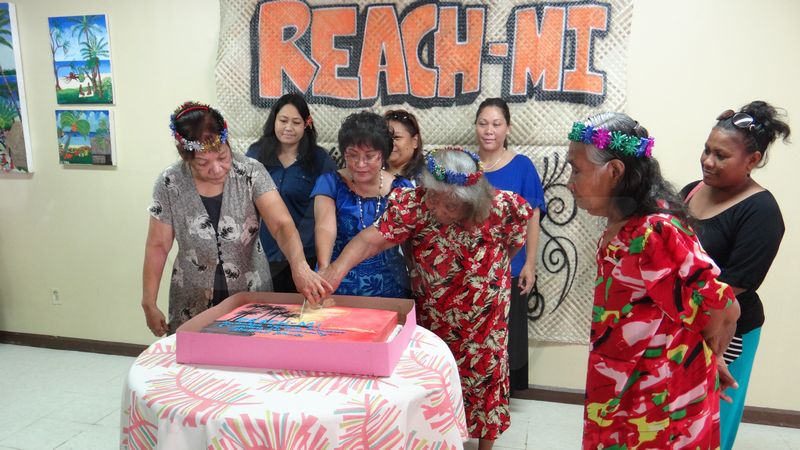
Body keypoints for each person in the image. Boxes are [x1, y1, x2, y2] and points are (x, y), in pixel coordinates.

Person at [319, 147, 533, 450]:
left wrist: (485, 277)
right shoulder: (414, 205)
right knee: (434, 383)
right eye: (431, 194)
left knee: (485, 379)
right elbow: (370, 240)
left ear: (469, 201)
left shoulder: (502, 207)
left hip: (486, 319)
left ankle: (486, 445)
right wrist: (336, 270)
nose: (434, 205)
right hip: (436, 316)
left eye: (445, 203)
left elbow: (512, 246)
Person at [566, 112, 740, 449]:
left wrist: (708, 355)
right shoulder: (622, 225)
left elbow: (724, 307)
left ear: (614, 171)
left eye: (576, 169)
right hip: (626, 388)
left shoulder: (654, 232)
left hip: (660, 403)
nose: (571, 182)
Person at [142, 101, 330, 336]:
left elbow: (281, 224)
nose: (217, 169)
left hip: (250, 291)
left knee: (252, 360)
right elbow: (158, 246)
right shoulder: (170, 182)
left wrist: (299, 266)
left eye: (222, 156)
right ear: (185, 156)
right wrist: (148, 302)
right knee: (196, 364)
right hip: (192, 296)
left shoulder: (250, 171)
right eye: (203, 163)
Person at [680, 101, 789, 450]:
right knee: (677, 420)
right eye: (707, 150)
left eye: (721, 155)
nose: (708, 161)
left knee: (712, 421)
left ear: (752, 160)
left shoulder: (761, 211)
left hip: (727, 327)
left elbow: (732, 286)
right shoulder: (692, 191)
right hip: (681, 320)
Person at [474, 98, 546, 391]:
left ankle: (502, 389)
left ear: (507, 128)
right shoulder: (466, 166)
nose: (489, 131)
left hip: (509, 265)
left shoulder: (522, 166)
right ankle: (476, 386)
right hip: (473, 265)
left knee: (506, 330)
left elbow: (533, 215)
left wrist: (530, 263)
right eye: (483, 123)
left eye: (496, 124)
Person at [312, 111, 412, 298]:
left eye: (369, 156)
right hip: (337, 284)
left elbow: (410, 245)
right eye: (352, 155)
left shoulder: (402, 189)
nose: (360, 164)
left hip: (390, 288)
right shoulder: (331, 183)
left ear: (383, 155)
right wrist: (325, 271)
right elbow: (324, 227)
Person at [246, 93, 337, 293]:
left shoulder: (320, 159)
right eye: (283, 120)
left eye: (296, 122)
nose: (288, 127)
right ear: (274, 121)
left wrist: (324, 264)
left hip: (307, 255)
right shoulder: (256, 154)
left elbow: (328, 212)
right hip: (265, 255)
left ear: (306, 124)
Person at [384, 109, 424, 182]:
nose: (389, 143)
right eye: (385, 137)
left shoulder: (429, 176)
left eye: (396, 137)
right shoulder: (370, 175)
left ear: (415, 141)